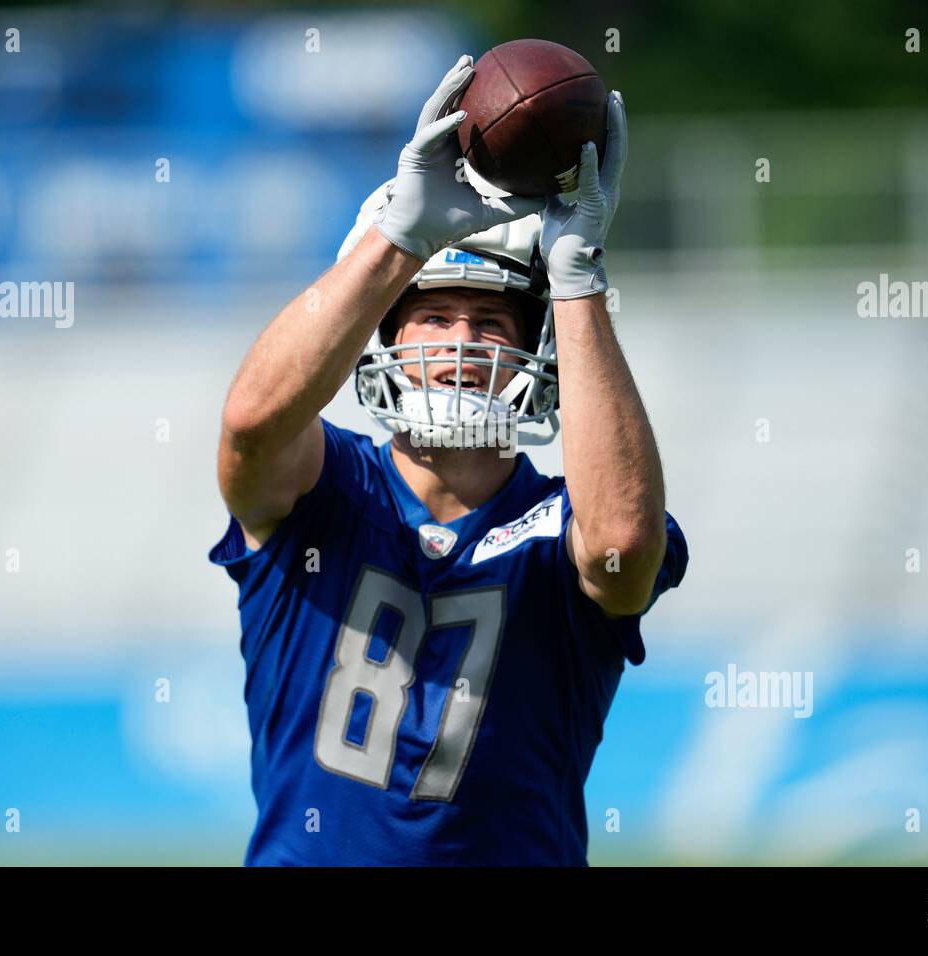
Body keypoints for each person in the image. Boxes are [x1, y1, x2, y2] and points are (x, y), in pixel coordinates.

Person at [210, 54, 688, 865]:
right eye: (432, 316)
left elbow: (621, 550)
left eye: (491, 321)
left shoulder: (560, 526)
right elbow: (252, 427)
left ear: (539, 343)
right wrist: (398, 236)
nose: (462, 345)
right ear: (380, 334)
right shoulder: (323, 490)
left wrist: (575, 281)